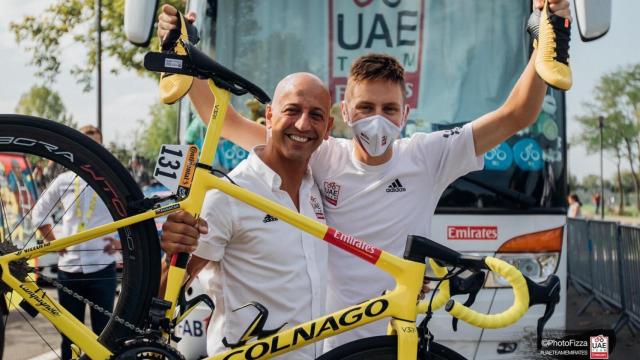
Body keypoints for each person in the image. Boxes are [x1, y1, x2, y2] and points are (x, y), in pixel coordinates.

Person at [157, 0, 571, 351]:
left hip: (397, 336)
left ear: (405, 115)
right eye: (366, 108)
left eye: (390, 109)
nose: (378, 120)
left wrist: (543, 40)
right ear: (346, 113)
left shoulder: (428, 155)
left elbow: (517, 114)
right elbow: (226, 122)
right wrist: (181, 55)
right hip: (325, 343)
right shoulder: (319, 153)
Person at [160, 73, 333, 359]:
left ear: (328, 128)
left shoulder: (319, 187)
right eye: (292, 110)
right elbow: (166, 290)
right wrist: (172, 253)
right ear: (269, 116)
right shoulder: (229, 195)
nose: (303, 124)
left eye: (316, 115)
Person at [32, 125, 121, 360]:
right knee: (69, 336)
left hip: (102, 267)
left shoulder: (112, 181)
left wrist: (119, 243)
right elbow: (39, 213)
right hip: (69, 269)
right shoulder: (63, 180)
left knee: (105, 335)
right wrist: (53, 241)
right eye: (87, 143)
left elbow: (132, 218)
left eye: (97, 144)